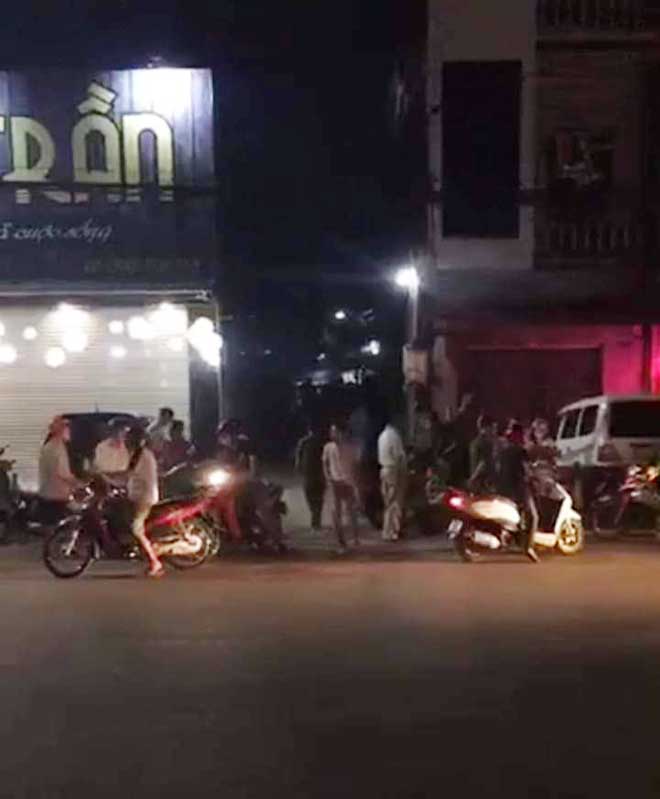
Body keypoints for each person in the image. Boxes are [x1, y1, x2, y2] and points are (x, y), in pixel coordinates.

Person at [497, 422, 539, 563]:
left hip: (503, 489)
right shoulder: (520, 451)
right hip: (519, 489)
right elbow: (528, 468)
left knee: (519, 516)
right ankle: (529, 546)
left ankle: (515, 540)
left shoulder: (503, 450)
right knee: (533, 516)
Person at [125, 428, 164, 578]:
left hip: (144, 497)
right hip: (138, 495)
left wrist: (104, 475)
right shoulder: (138, 454)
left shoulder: (142, 455)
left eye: (129, 438)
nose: (126, 441)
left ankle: (155, 562)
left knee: (136, 529)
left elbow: (127, 474)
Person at [322, 423, 359, 554]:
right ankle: (341, 542)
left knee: (351, 512)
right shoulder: (328, 447)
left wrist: (355, 483)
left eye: (335, 432)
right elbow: (325, 464)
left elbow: (355, 466)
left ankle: (354, 538)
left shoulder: (350, 447)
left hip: (347, 482)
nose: (333, 434)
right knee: (335, 514)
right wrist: (328, 478)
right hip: (335, 482)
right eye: (332, 432)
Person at [38, 416, 81, 525]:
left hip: (48, 495)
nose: (69, 431)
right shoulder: (56, 448)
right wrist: (79, 484)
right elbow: (63, 473)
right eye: (67, 427)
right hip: (56, 498)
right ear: (60, 430)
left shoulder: (50, 446)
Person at [377, 417, 407, 542]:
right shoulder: (394, 436)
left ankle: (387, 531)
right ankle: (393, 531)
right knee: (394, 502)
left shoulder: (382, 436)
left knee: (388, 502)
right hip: (393, 470)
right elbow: (399, 455)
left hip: (383, 469)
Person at [295, 425, 326, 531]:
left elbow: (298, 458)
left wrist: (299, 469)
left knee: (313, 498)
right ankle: (316, 520)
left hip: (312, 475)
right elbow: (298, 458)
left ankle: (315, 520)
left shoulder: (305, 442)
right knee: (316, 499)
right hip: (315, 475)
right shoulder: (313, 442)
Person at [468, 414, 499, 493]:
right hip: (485, 485)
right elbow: (483, 463)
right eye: (493, 428)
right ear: (486, 428)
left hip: (478, 484)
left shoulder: (474, 443)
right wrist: (473, 478)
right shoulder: (485, 443)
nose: (495, 431)